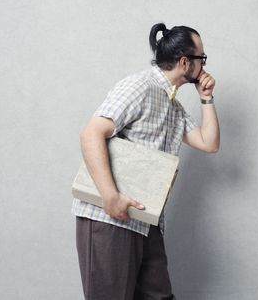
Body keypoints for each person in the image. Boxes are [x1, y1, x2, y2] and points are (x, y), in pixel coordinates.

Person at [72, 23, 220, 300]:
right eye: (202, 58)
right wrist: (110, 196)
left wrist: (206, 99)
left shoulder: (172, 105)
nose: (204, 65)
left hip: (145, 220)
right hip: (110, 218)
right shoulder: (140, 86)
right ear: (185, 62)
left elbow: (208, 143)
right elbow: (91, 133)